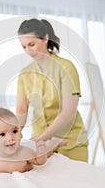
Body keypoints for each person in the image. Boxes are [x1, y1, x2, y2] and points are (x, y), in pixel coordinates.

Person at [16, 18, 88, 162]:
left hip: (70, 142)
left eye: (31, 44)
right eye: (24, 47)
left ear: (45, 39)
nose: (28, 51)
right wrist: (14, 134)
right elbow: (21, 111)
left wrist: (42, 138)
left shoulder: (66, 68)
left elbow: (68, 112)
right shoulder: (25, 74)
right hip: (41, 146)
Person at [0, 107, 66, 173]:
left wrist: (41, 152)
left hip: (29, 146)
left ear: (20, 133)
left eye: (15, 131)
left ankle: (55, 142)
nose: (10, 138)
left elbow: (39, 162)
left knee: (47, 150)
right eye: (2, 134)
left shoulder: (25, 152)